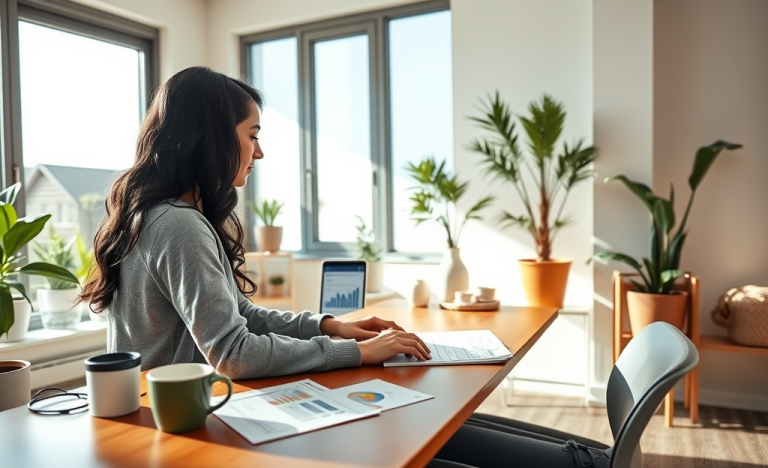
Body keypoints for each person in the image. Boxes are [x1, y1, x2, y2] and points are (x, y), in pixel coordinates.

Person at [79, 66, 430, 379]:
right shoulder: (177, 225)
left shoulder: (155, 213)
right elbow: (235, 353)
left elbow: (240, 314)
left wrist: (331, 326)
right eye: (253, 134)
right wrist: (356, 352)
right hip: (172, 423)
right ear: (214, 136)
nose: (258, 152)